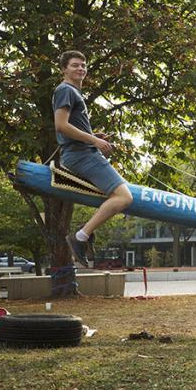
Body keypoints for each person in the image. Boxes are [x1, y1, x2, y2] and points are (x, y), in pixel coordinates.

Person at [54, 50, 133, 267]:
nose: (80, 68)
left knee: (116, 196)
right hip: (81, 155)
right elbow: (60, 126)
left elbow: (69, 127)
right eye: (74, 65)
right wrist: (94, 142)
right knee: (124, 197)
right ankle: (80, 236)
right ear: (64, 69)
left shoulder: (72, 92)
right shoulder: (65, 90)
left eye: (83, 65)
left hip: (80, 151)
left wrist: (93, 136)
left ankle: (85, 233)